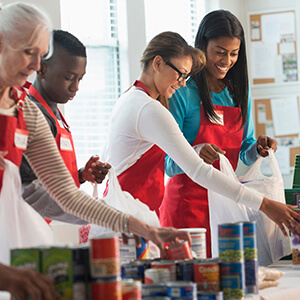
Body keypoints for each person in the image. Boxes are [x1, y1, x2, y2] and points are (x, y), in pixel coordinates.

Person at [0, 2, 190, 296]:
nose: (36, 65)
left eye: (40, 55)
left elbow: (67, 197)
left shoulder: (27, 112)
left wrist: (140, 228)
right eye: (29, 52)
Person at [103, 30, 300, 258]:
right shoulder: (150, 108)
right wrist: (265, 204)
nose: (181, 83)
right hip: (134, 216)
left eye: (186, 77)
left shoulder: (131, 98)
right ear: (157, 63)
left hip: (132, 214)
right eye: (180, 75)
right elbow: (197, 170)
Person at [159, 10, 295, 256]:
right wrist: (197, 153)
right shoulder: (182, 92)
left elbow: (244, 152)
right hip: (188, 208)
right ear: (202, 47)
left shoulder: (238, 91)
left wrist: (258, 149)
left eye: (234, 54)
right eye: (220, 52)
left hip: (228, 206)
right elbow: (167, 164)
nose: (227, 60)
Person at [20, 29, 110, 225]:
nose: (75, 87)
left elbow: (47, 174)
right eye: (69, 77)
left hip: (50, 221)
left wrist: (80, 175)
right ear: (42, 69)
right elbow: (31, 187)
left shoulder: (54, 112)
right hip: (32, 223)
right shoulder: (34, 115)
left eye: (80, 79)